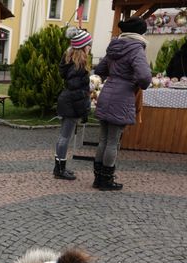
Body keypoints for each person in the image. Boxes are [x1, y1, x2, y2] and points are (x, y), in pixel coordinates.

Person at [93, 17, 152, 191]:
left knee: (103, 140)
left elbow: (100, 70)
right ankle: (106, 180)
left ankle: (98, 179)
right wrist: (134, 83)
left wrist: (114, 76)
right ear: (140, 33)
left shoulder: (114, 46)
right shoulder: (136, 49)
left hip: (107, 94)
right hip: (122, 96)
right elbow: (144, 77)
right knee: (113, 141)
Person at [53, 27, 93, 181]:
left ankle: (59, 167)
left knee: (63, 136)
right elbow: (78, 93)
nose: (90, 47)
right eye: (88, 44)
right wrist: (84, 111)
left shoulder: (69, 61)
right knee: (65, 137)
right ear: (82, 46)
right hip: (71, 103)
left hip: (66, 100)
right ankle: (59, 169)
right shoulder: (79, 66)